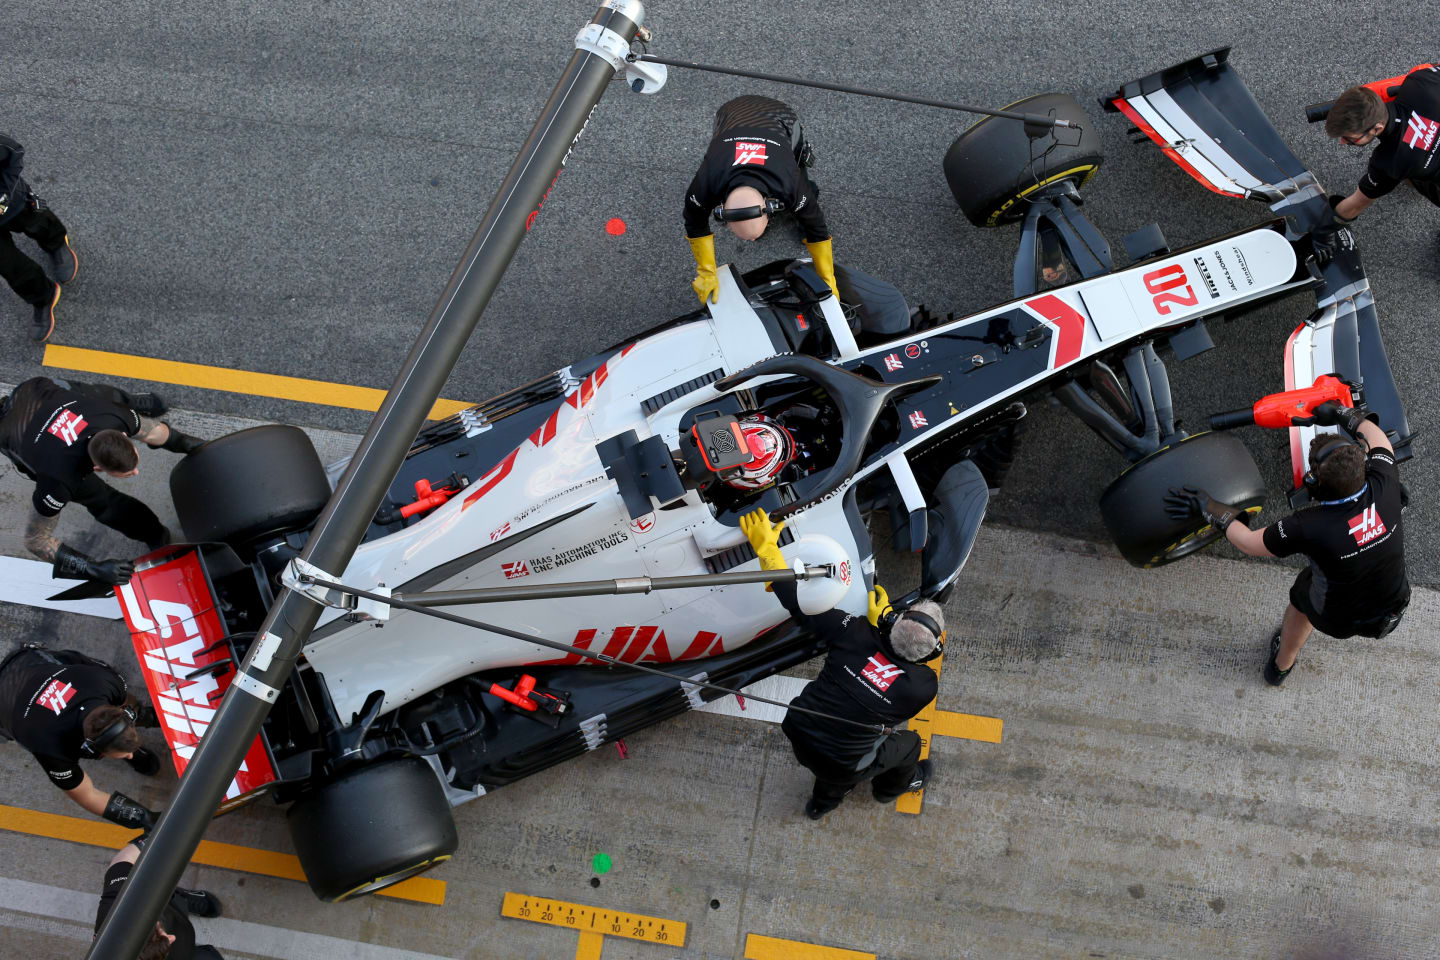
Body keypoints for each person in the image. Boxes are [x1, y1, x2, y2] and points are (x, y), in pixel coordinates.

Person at [1164, 403, 1408, 686]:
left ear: (1313, 485)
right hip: (1393, 609)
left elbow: (1248, 542)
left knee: (1302, 597)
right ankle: (1281, 667)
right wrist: (1342, 412)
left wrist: (1210, 507)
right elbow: (1374, 435)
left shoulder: (1306, 527)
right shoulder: (1386, 481)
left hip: (1336, 619)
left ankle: (1281, 666)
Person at [739, 508, 942, 819]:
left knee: (838, 756)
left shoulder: (853, 632)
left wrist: (767, 549)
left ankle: (824, 802)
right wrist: (883, 629)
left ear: (898, 621)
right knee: (910, 744)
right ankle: (886, 790)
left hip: (798, 730)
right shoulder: (923, 686)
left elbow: (797, 603)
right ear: (930, 653)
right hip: (841, 763)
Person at [0, 377, 205, 585]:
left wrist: (199, 447)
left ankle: (131, 399)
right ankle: (153, 533)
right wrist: (92, 568)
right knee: (102, 501)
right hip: (12, 428)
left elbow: (160, 433)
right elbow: (35, 540)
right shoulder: (59, 480)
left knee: (111, 397)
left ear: (124, 434)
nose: (135, 472)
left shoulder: (118, 415)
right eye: (127, 472)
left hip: (41, 390)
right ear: (96, 468)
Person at [683, 95, 840, 305]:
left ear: (770, 207)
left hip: (779, 116)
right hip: (730, 113)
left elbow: (817, 228)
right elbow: (694, 223)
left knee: (803, 183)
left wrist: (828, 280)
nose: (749, 242)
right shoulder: (706, 183)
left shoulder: (791, 183)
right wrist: (706, 272)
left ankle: (808, 197)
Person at [0, 644, 163, 826]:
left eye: (129, 752)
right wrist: (143, 818)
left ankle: (144, 717)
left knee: (78, 663)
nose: (130, 753)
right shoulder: (50, 748)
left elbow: (126, 702)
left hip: (35, 666)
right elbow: (88, 795)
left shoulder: (104, 681)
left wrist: (137, 715)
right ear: (90, 747)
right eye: (127, 753)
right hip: (7, 699)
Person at [1316, 66, 1440, 261]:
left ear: (1377, 128)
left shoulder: (1390, 162)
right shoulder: (1420, 80)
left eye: (1349, 138)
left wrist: (1324, 230)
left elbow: (1356, 205)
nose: (1343, 142)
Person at [1, 134, 78, 342]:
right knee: (9, 265)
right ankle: (44, 296)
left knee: (38, 222)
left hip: (12, 202)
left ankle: (56, 243)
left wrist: (5, 195)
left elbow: (14, 153)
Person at [95, 837, 224, 959]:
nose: (171, 937)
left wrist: (150, 836)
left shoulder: (112, 916)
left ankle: (175, 897)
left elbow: (123, 862)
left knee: (168, 904)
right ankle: (173, 898)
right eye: (159, 931)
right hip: (183, 951)